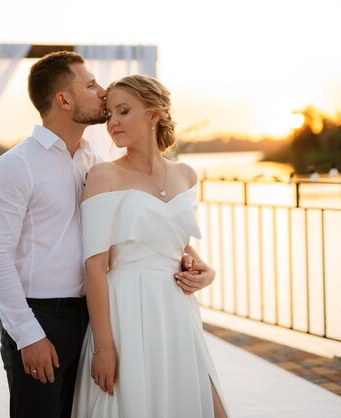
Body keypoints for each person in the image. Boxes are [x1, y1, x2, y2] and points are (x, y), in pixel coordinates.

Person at [0, 51, 215, 418]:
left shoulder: (93, 162)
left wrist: (196, 264)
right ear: (64, 100)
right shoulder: (16, 167)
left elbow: (139, 232)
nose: (101, 91)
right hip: (43, 317)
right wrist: (30, 335)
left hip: (97, 315)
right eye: (90, 84)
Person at [71, 74, 229, 418]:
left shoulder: (186, 174)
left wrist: (207, 271)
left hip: (175, 310)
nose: (112, 122)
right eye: (109, 114)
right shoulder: (104, 176)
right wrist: (104, 348)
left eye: (123, 111)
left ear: (153, 115)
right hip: (126, 309)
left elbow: (176, 247)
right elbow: (95, 267)